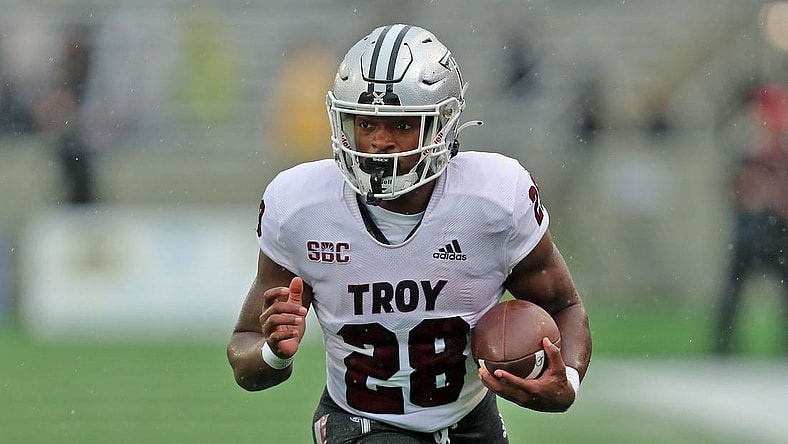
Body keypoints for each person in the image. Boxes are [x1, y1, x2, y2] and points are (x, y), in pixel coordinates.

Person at [227, 24, 592, 444]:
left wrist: (566, 379)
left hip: (472, 422)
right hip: (359, 423)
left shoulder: (494, 199)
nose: (379, 142)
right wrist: (273, 352)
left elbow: (565, 305)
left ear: (441, 126)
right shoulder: (300, 207)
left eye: (401, 125)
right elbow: (245, 351)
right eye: (366, 123)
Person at [715, 82, 788, 354]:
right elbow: (737, 188)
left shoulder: (775, 146)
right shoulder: (746, 144)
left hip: (776, 230)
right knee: (732, 291)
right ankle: (723, 347)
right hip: (752, 229)